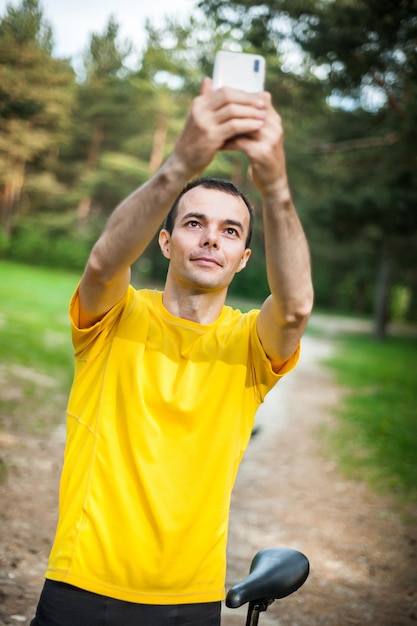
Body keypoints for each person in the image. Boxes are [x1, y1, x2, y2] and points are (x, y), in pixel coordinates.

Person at [30, 77, 314, 626]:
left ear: (243, 258)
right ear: (166, 242)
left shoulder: (251, 345)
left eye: (230, 231)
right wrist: (181, 161)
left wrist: (275, 185)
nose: (211, 238)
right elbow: (102, 265)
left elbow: (297, 308)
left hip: (190, 599)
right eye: (194, 223)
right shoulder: (114, 318)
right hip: (82, 583)